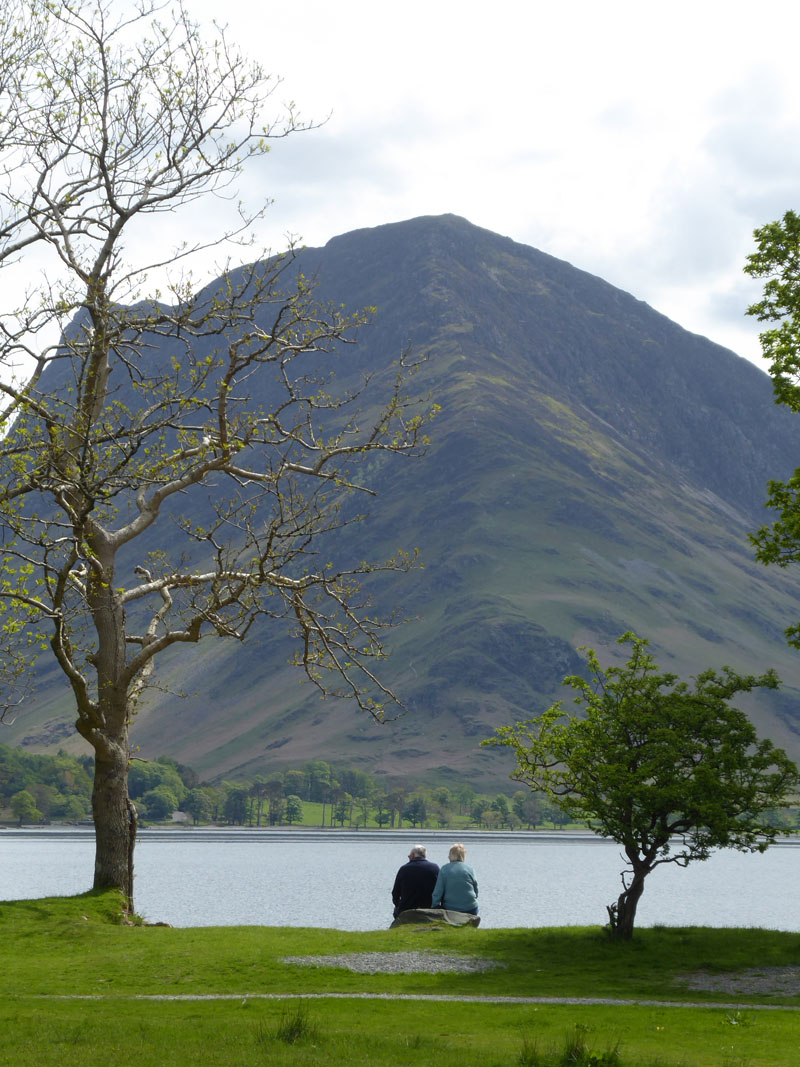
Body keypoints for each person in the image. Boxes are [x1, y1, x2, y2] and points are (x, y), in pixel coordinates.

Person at [391, 844, 440, 917]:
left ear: (413, 855)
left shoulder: (404, 869)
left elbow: (395, 893)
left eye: (409, 856)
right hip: (428, 908)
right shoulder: (435, 868)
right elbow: (439, 890)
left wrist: (398, 905)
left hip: (406, 909)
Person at [431, 842, 479, 914]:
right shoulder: (470, 869)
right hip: (471, 907)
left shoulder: (444, 869)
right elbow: (475, 889)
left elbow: (438, 891)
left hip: (451, 908)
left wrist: (435, 906)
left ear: (451, 855)